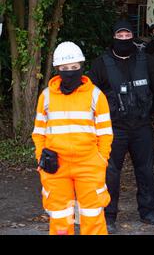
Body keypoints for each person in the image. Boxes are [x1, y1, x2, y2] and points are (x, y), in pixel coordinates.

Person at [88, 19, 154, 233]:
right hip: (113, 129)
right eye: (120, 36)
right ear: (113, 37)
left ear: (132, 37)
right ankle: (109, 215)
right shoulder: (100, 64)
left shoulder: (147, 60)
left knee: (145, 171)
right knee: (111, 173)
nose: (124, 39)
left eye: (127, 36)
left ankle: (148, 212)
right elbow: (89, 97)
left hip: (141, 126)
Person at [32, 42, 113, 235]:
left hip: (89, 164)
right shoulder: (46, 96)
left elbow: (105, 133)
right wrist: (40, 158)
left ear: (81, 67)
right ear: (58, 69)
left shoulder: (95, 95)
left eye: (74, 67)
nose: (70, 72)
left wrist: (101, 159)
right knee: (60, 217)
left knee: (92, 215)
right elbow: (39, 132)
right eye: (65, 69)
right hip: (55, 166)